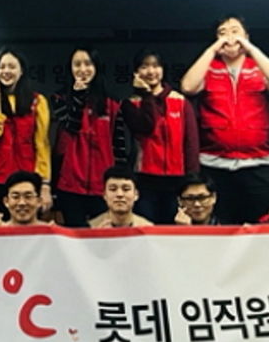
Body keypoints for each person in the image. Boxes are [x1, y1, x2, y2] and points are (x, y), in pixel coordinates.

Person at [180, 16, 269, 223]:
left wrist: (250, 48)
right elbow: (188, 87)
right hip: (215, 163)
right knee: (221, 226)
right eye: (222, 33)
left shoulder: (258, 68)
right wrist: (213, 50)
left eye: (235, 31)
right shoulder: (209, 69)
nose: (229, 37)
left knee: (261, 224)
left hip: (257, 162)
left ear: (246, 36)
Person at [121, 48, 200, 224]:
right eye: (144, 66)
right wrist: (146, 95)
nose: (151, 71)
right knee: (147, 229)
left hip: (177, 180)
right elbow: (146, 126)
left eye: (156, 66)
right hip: (145, 179)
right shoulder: (131, 104)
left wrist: (192, 179)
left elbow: (191, 143)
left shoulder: (180, 101)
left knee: (173, 230)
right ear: (136, 72)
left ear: (163, 70)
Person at [52, 46, 127, 227]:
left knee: (103, 235)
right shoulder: (59, 98)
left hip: (103, 185)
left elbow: (119, 145)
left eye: (88, 64)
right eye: (77, 64)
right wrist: (78, 97)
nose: (83, 69)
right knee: (75, 236)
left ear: (96, 67)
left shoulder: (112, 102)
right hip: (70, 184)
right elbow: (71, 126)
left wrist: (120, 180)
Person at [0, 47, 52, 223]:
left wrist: (45, 184)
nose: (6, 71)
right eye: (1, 67)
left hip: (28, 179)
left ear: (21, 70)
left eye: (12, 67)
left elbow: (42, 144)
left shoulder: (38, 101)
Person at [89, 167, 153, 228]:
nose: (119, 194)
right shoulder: (91, 228)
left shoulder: (148, 229)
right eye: (113, 189)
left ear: (136, 194)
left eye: (126, 189)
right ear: (104, 194)